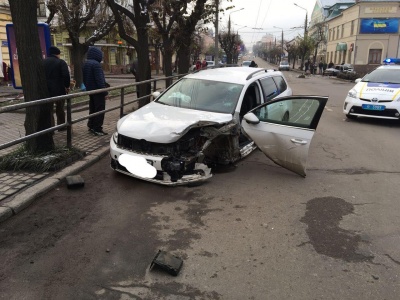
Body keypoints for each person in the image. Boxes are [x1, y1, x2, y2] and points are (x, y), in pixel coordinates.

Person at [82, 46, 109, 136]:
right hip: (98, 91)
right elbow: (100, 80)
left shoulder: (86, 64)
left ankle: (91, 125)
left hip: (91, 91)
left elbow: (85, 78)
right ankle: (97, 128)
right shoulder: (96, 65)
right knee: (100, 110)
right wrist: (105, 92)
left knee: (92, 108)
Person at [43, 46, 71, 130]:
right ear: (57, 54)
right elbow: (66, 75)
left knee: (49, 110)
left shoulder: (43, 62)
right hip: (59, 90)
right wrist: (67, 86)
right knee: (60, 109)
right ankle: (61, 126)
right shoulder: (61, 62)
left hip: (46, 90)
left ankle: (50, 128)